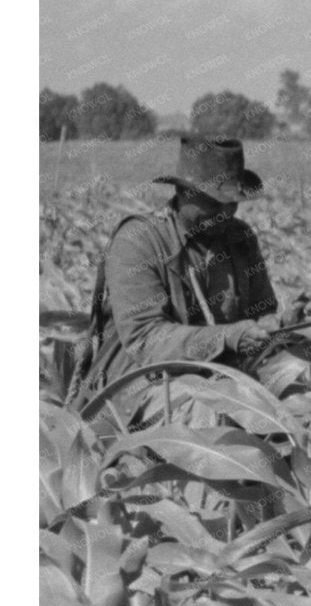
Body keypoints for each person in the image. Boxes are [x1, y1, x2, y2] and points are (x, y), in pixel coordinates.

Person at [67, 136, 282, 421]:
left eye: (232, 202)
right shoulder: (139, 240)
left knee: (305, 394)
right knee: (211, 413)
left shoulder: (239, 237)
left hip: (222, 378)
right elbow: (146, 340)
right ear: (184, 192)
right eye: (214, 202)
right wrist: (227, 337)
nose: (225, 212)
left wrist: (285, 322)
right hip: (139, 387)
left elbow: (263, 314)